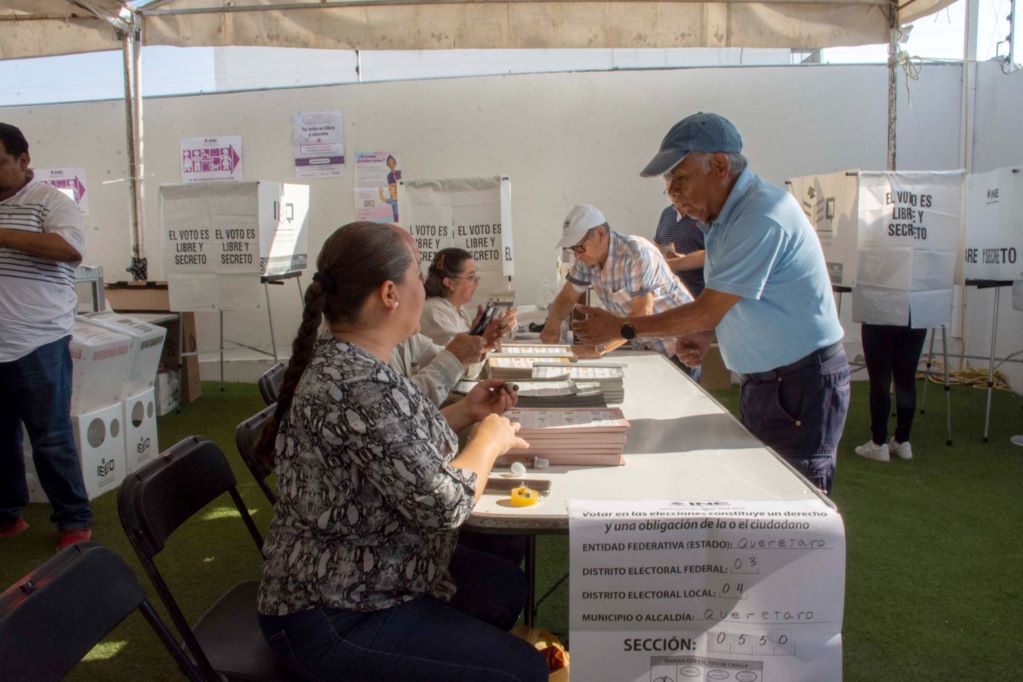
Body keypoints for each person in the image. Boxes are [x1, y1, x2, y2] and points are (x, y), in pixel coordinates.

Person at [254, 222, 546, 682]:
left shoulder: (358, 361)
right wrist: (488, 441)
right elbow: (444, 504)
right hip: (337, 610)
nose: (423, 287)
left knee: (502, 588)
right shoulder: (356, 383)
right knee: (524, 670)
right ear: (390, 293)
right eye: (416, 276)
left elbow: (393, 443)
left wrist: (467, 412)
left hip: (380, 573)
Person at [572, 112, 850, 495]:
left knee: (794, 507)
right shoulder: (725, 220)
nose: (673, 196)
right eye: (669, 186)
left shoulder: (762, 216)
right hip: (769, 382)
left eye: (680, 180)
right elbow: (732, 298)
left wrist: (622, 328)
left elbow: (710, 305)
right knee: (762, 495)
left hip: (801, 381)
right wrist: (704, 334)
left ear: (720, 165)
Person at [0, 122, 94, 550]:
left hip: (37, 342)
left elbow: (68, 250)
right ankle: (7, 514)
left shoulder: (50, 202)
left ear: (23, 161)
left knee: (50, 437)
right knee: (1, 439)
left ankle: (73, 519)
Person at [539, 204, 693, 358]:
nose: (577, 255)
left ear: (601, 233)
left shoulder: (636, 253)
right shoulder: (586, 260)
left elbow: (642, 314)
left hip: (680, 345)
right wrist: (552, 325)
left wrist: (598, 349)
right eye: (572, 248)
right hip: (644, 346)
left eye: (579, 247)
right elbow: (567, 298)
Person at [853, 323, 928, 461]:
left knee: (880, 382)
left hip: (879, 314)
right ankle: (902, 440)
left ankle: (878, 443)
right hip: (914, 314)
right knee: (906, 380)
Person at [420, 247, 516, 347]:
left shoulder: (457, 307)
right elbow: (460, 354)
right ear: (450, 283)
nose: (477, 283)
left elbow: (469, 343)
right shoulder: (436, 310)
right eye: (471, 277)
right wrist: (485, 334)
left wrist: (481, 329)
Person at [654, 204, 706, 298]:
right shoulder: (667, 212)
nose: (675, 197)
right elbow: (658, 243)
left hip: (697, 294)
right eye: (669, 192)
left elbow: (711, 254)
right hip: (668, 295)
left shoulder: (705, 214)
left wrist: (676, 262)